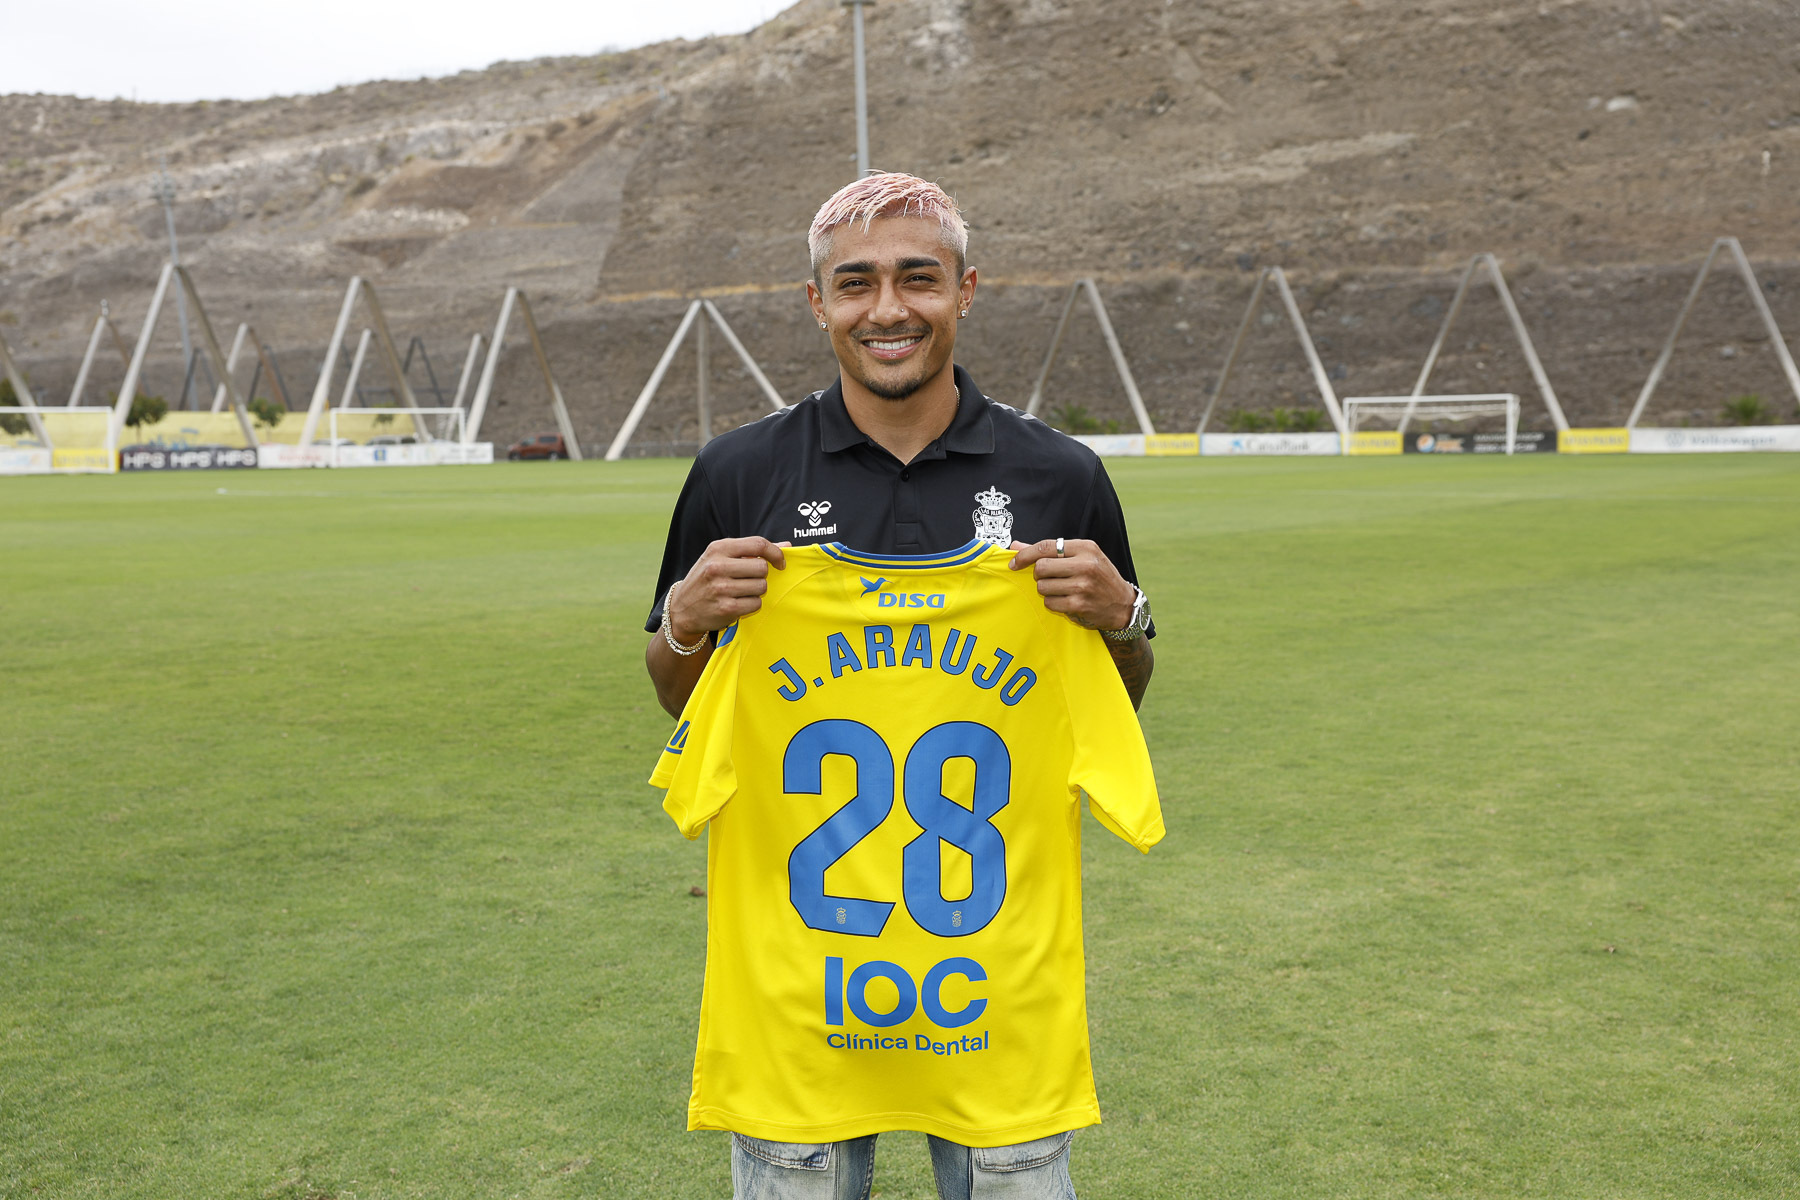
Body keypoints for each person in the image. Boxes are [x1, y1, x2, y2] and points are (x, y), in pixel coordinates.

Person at [643, 172, 1157, 1199]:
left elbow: (1109, 699)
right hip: (800, 994)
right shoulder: (739, 473)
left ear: (965, 291)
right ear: (818, 302)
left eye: (918, 279)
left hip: (994, 995)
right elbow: (682, 701)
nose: (888, 309)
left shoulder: (1059, 475)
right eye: (857, 283)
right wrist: (687, 623)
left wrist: (1125, 618)